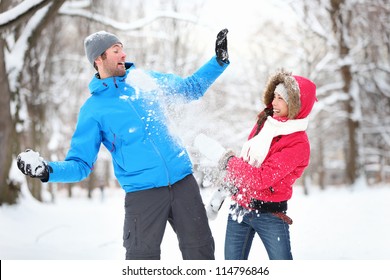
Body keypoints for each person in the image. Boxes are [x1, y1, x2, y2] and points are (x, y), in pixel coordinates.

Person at [16, 29, 230, 260]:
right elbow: (80, 165)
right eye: (116, 50)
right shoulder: (94, 109)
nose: (123, 54)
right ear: (99, 59)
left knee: (201, 252)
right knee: (140, 260)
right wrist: (48, 171)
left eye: (122, 49)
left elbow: (191, 88)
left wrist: (218, 61)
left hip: (182, 183)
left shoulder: (145, 81)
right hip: (142, 194)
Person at [220, 69, 317, 260]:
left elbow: (261, 178)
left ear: (296, 104)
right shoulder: (266, 123)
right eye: (274, 96)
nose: (274, 103)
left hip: (270, 215)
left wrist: (229, 163)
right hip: (239, 208)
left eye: (281, 98)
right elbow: (247, 162)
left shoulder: (298, 144)